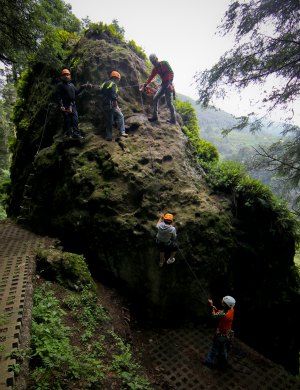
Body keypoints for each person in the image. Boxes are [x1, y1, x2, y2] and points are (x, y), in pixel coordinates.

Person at [142, 54, 176, 124]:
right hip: (164, 84)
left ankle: (173, 119)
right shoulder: (155, 69)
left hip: (168, 84)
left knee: (169, 103)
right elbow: (151, 77)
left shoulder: (164, 63)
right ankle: (155, 116)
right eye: (152, 62)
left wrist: (169, 82)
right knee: (155, 98)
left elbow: (171, 72)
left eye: (154, 61)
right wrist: (145, 84)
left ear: (157, 59)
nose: (153, 63)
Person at [55, 68, 89, 139]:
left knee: (75, 119)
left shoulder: (72, 85)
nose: (66, 76)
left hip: (72, 105)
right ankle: (69, 134)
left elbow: (76, 93)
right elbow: (58, 96)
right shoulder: (60, 85)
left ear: (70, 76)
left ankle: (76, 133)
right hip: (65, 105)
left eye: (67, 75)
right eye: (64, 75)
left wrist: (82, 87)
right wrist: (61, 105)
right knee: (67, 120)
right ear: (61, 77)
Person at [204, 296, 236, 369]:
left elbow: (214, 316)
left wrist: (212, 306)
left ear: (226, 305)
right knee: (223, 349)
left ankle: (209, 361)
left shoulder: (224, 315)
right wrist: (215, 308)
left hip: (220, 335)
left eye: (223, 302)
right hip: (227, 334)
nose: (222, 301)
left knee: (214, 348)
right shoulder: (231, 310)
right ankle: (223, 361)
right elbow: (221, 313)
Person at [100, 71, 128, 141]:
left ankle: (109, 136)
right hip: (111, 104)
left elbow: (100, 91)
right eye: (118, 79)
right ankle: (122, 132)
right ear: (116, 78)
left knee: (109, 120)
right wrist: (116, 105)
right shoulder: (113, 84)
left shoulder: (104, 84)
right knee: (120, 115)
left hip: (104, 104)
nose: (118, 81)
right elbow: (113, 95)